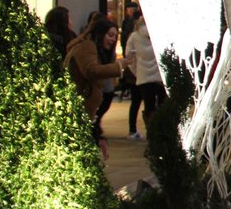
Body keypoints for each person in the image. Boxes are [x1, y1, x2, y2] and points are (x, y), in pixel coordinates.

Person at [65, 17, 129, 158]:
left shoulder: (91, 47)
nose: (112, 40)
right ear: (99, 34)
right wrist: (118, 66)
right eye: (110, 35)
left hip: (85, 107)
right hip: (79, 106)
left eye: (114, 37)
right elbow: (90, 70)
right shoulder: (87, 46)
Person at [123, 15, 166, 139]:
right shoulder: (160, 33)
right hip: (160, 77)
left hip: (143, 77)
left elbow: (129, 58)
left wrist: (137, 72)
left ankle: (150, 131)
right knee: (162, 104)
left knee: (148, 106)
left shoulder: (134, 37)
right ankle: (162, 131)